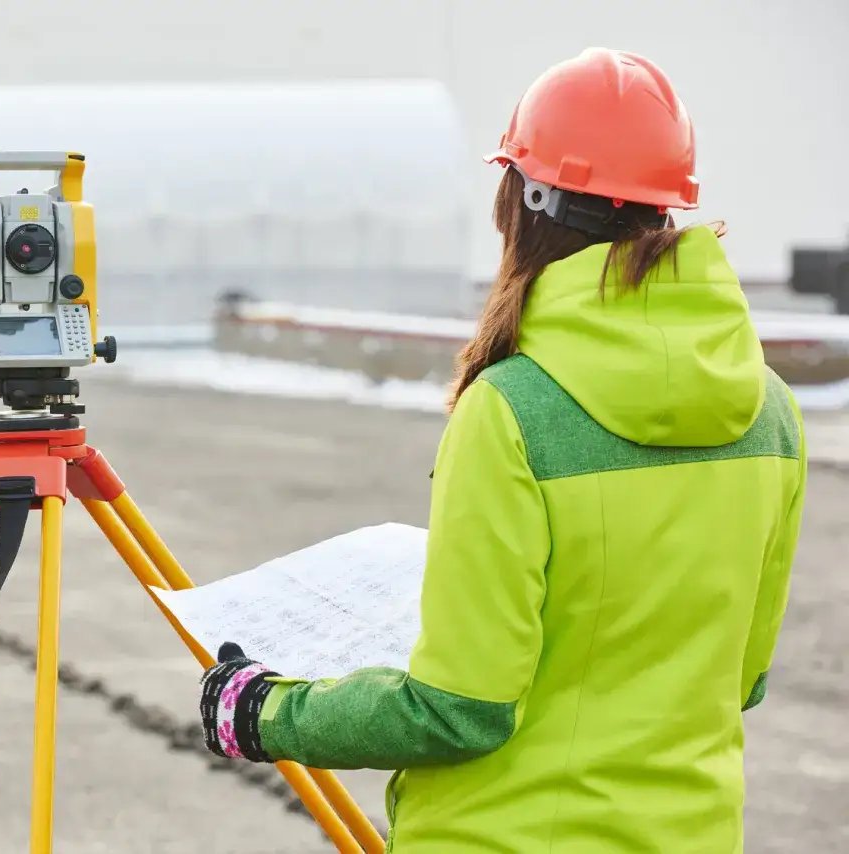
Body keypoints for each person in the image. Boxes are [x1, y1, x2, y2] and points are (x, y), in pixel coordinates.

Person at [196, 47, 807, 852]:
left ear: (526, 198)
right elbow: (742, 681)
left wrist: (265, 710)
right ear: (666, 208)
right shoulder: (771, 411)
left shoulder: (511, 411)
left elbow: (460, 709)